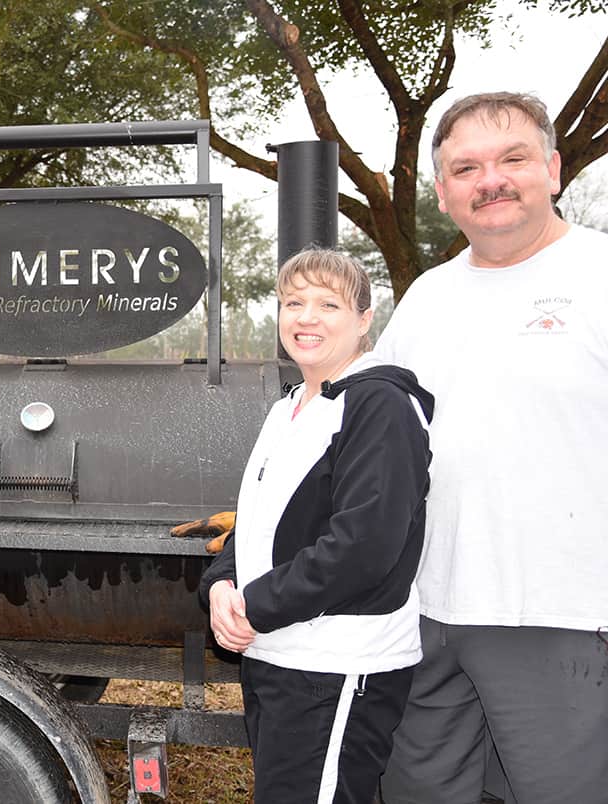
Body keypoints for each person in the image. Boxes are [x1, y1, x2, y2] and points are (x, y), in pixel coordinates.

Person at [377, 92, 608, 803]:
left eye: (512, 159)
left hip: (562, 617)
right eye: (466, 167)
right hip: (426, 614)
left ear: (554, 168)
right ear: (444, 192)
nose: (491, 181)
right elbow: (365, 437)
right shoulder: (426, 297)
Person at [201, 249, 433, 804]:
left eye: (328, 304)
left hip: (337, 667)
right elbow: (256, 522)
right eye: (293, 302)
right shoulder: (289, 408)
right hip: (278, 657)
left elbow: (364, 547)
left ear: (363, 319)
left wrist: (254, 606)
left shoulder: (381, 404)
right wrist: (219, 587)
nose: (307, 317)